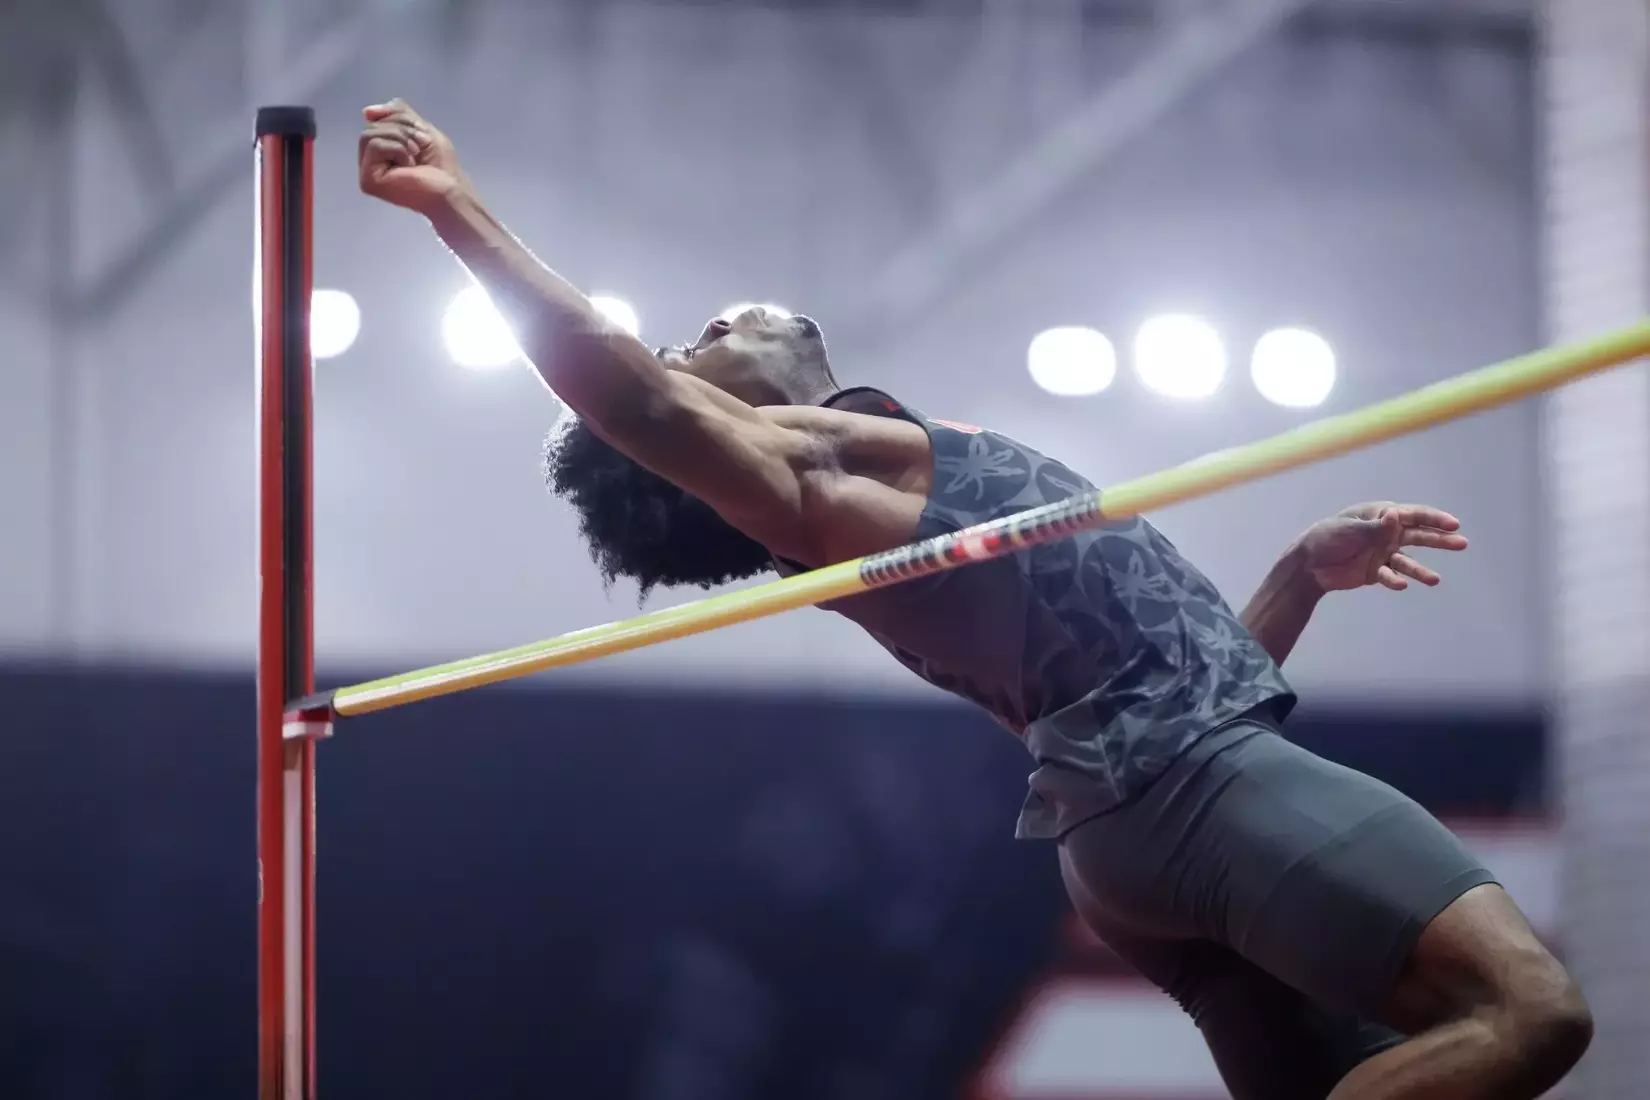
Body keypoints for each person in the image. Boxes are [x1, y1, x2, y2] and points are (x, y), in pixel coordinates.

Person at [357, 99, 1591, 1100]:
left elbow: (1146, 682)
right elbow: (632, 399)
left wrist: (1292, 576)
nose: (704, 328)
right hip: (1190, 800)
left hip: (1148, 820)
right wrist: (456, 208)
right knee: (1528, 1009)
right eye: (688, 344)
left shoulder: (884, 460)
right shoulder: (807, 478)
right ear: (704, 430)